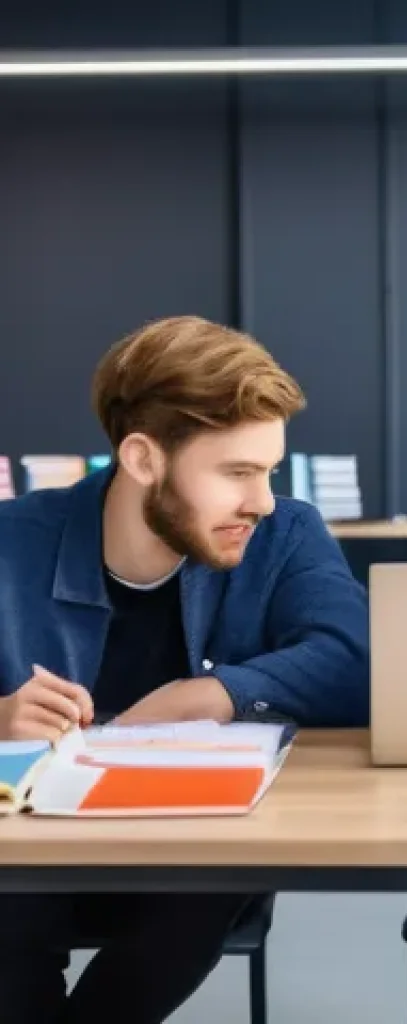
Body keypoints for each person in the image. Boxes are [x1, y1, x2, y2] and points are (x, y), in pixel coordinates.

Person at [0, 315, 370, 1024]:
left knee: (206, 885)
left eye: (268, 472)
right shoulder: (13, 540)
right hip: (32, 853)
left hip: (195, 857)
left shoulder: (285, 532)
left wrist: (218, 692)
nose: (260, 500)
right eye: (237, 473)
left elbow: (358, 659)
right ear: (143, 459)